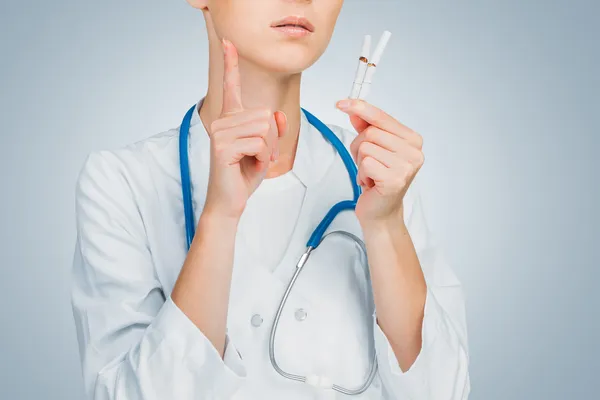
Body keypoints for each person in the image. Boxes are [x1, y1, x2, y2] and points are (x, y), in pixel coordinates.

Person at [70, 0, 470, 399]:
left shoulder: (378, 170)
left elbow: (443, 391)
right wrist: (219, 219)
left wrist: (385, 226)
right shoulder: (122, 182)